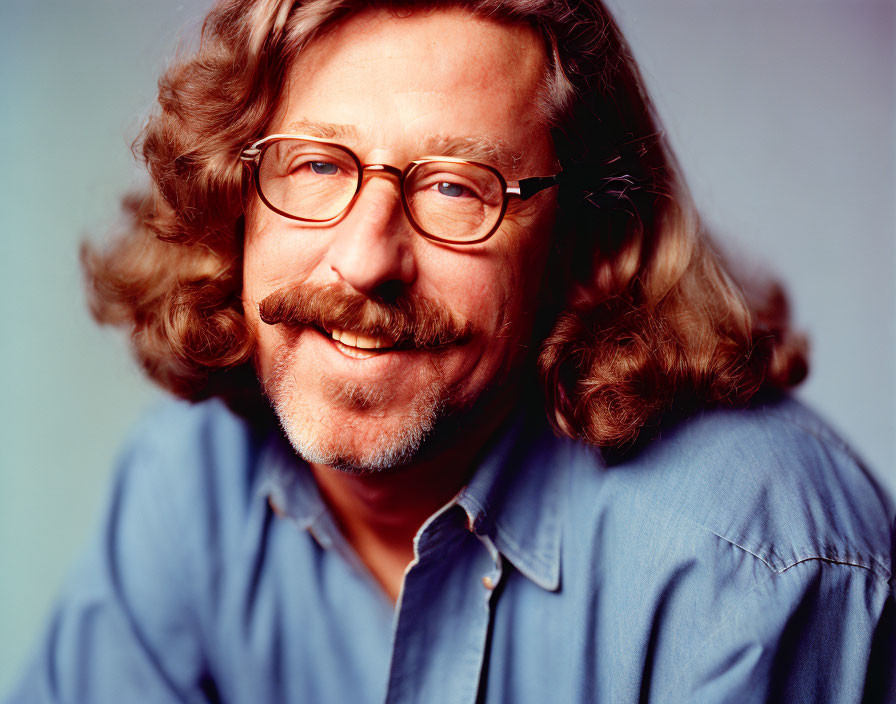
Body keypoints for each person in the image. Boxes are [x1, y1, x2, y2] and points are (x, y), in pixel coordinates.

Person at [7, 0, 894, 701]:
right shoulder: (186, 485)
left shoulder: (755, 566)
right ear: (236, 200)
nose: (363, 260)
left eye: (454, 187)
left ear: (588, 246)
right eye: (315, 165)